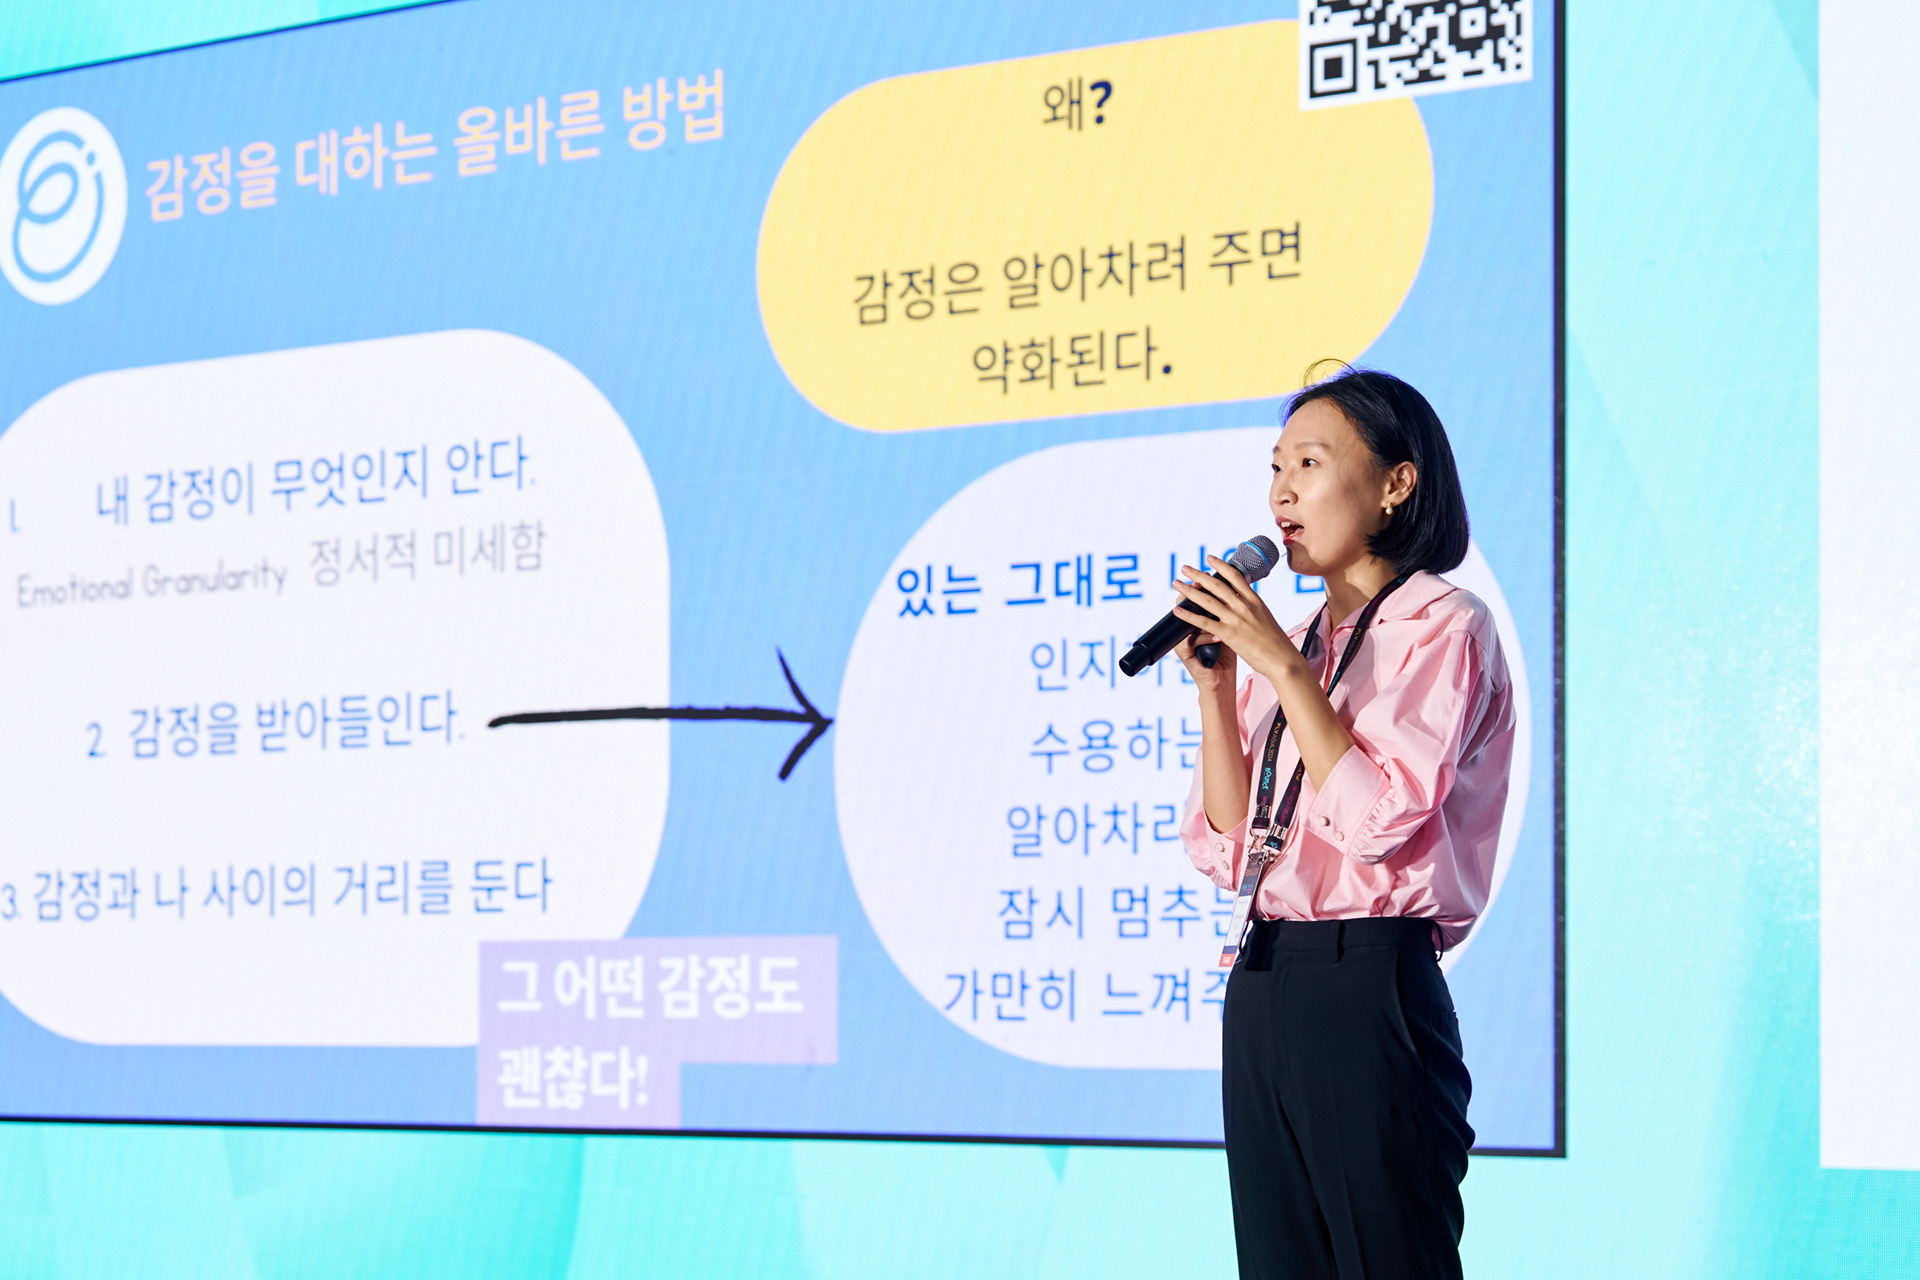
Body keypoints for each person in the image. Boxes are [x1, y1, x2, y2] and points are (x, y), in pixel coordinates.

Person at [1171, 367, 1516, 1280]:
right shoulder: (1297, 645)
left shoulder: (1444, 625)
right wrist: (1217, 691)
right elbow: (1226, 846)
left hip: (1371, 982)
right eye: (1276, 467)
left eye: (1310, 464)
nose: (1282, 493)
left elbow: (1379, 821)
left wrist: (1284, 671)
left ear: (1396, 484)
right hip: (1263, 981)